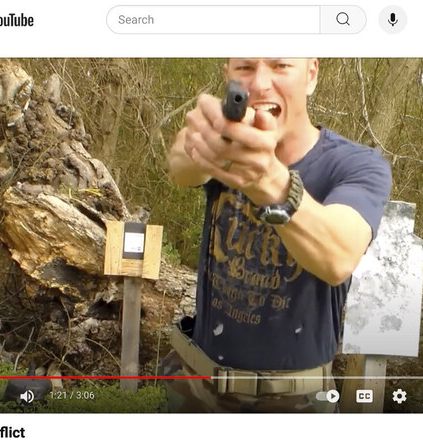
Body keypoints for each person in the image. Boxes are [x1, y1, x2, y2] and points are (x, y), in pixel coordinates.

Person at [162, 58, 391, 412]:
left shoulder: (358, 165)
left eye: (281, 65)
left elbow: (338, 256)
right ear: (227, 75)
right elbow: (180, 168)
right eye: (245, 67)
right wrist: (204, 145)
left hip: (295, 404)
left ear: (311, 75)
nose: (259, 83)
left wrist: (268, 180)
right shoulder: (225, 145)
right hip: (195, 389)